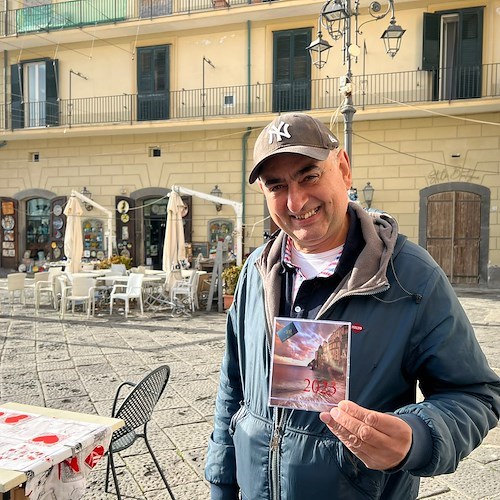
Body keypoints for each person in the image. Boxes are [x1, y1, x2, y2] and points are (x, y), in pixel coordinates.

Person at [204, 112, 500, 499]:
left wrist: (418, 436)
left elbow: (474, 393)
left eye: (309, 176)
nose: (295, 201)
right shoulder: (256, 271)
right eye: (276, 185)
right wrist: (221, 486)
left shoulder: (411, 277)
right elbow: (233, 389)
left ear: (343, 169)